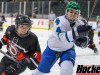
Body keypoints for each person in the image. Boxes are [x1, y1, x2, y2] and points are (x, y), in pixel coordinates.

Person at [32, 1, 92, 75]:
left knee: (67, 71)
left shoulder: (80, 24)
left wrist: (84, 41)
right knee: (39, 72)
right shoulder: (59, 20)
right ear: (66, 11)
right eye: (71, 11)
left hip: (68, 50)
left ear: (78, 14)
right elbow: (62, 37)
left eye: (76, 13)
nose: (73, 14)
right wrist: (76, 33)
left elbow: (84, 42)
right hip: (52, 49)